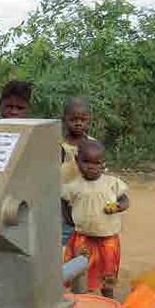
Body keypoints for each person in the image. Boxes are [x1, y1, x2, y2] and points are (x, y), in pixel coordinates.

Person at [62, 139, 130, 298]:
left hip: (108, 238)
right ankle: (82, 298)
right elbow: (64, 202)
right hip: (83, 237)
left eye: (97, 163)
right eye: (86, 162)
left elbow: (125, 199)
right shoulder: (74, 186)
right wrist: (68, 219)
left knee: (108, 269)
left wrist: (119, 206)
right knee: (80, 269)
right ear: (78, 162)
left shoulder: (112, 183)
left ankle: (108, 296)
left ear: (103, 163)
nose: (91, 167)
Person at [60, 97, 93, 244]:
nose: (78, 123)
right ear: (64, 120)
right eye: (73, 119)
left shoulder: (93, 145)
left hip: (86, 204)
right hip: (62, 205)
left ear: (89, 121)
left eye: (83, 119)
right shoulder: (58, 145)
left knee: (85, 245)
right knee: (63, 243)